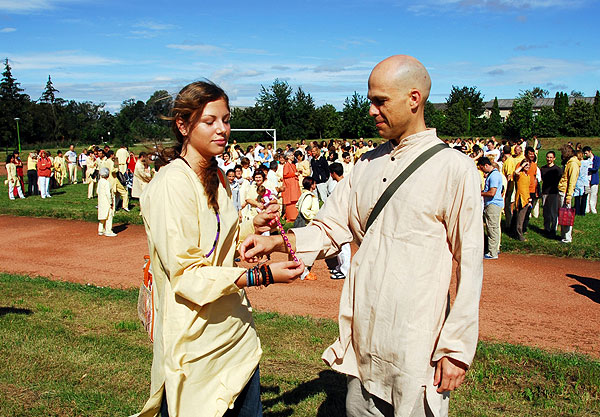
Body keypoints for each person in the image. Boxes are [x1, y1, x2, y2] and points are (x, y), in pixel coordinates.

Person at [240, 55, 483, 416]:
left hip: (418, 341)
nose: (371, 110)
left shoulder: (454, 169)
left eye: (380, 101)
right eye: (371, 100)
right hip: (366, 336)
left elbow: (470, 262)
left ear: (413, 99)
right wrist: (276, 242)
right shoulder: (366, 165)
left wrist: (456, 349)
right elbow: (328, 227)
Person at [134, 81, 304, 417]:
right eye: (210, 121)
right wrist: (262, 275)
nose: (222, 129)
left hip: (235, 336)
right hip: (195, 342)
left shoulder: (218, 177)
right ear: (183, 125)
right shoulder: (172, 184)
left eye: (226, 120)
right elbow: (188, 276)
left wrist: (252, 226)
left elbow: (217, 240)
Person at [324, 162, 351, 278]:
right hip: (338, 216)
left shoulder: (344, 184)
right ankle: (340, 266)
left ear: (334, 173)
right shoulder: (342, 183)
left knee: (344, 244)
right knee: (339, 243)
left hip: (343, 216)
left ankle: (345, 270)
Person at [477, 157, 503, 259]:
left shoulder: (494, 176)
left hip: (493, 204)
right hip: (492, 203)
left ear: (486, 165)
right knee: (493, 227)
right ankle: (493, 249)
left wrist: (480, 193)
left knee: (492, 227)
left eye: (482, 168)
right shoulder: (493, 175)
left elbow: (492, 192)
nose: (482, 170)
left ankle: (493, 252)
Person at [558, 145, 581, 243]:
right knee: (563, 214)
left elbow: (572, 181)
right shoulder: (569, 162)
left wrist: (568, 196)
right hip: (562, 190)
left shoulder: (573, 164)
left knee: (567, 215)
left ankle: (567, 238)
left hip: (565, 192)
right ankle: (563, 236)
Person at [540, 151, 563, 236]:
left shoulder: (557, 170)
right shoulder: (543, 169)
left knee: (554, 212)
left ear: (554, 158)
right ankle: (546, 228)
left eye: (551, 157)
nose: (549, 159)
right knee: (546, 212)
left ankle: (553, 228)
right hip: (545, 192)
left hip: (554, 192)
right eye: (548, 157)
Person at [513, 159, 531, 241]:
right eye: (525, 165)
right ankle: (519, 235)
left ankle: (518, 232)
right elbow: (515, 172)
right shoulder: (520, 174)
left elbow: (527, 188)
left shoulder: (528, 176)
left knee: (522, 217)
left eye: (528, 165)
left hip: (526, 198)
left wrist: (529, 200)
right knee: (520, 217)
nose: (527, 167)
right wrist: (522, 166)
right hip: (520, 198)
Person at [282, 152, 301, 222]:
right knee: (290, 200)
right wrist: (294, 174)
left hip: (294, 184)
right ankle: (290, 216)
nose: (293, 157)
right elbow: (285, 175)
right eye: (291, 155)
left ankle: (295, 215)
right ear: (288, 157)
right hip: (290, 185)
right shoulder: (286, 165)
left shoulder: (293, 165)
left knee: (295, 199)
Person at [97, 168, 116, 237]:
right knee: (109, 216)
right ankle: (108, 231)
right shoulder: (107, 183)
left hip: (101, 201)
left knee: (102, 215)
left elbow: (97, 191)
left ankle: (101, 230)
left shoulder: (100, 181)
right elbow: (108, 193)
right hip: (107, 202)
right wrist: (111, 202)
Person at [583, 146, 599, 214]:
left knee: (593, 194)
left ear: (590, 151)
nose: (585, 155)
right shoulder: (585, 160)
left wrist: (587, 169)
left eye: (586, 153)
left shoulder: (597, 159)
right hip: (587, 179)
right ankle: (586, 208)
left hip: (594, 179)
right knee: (587, 193)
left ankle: (593, 208)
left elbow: (596, 168)